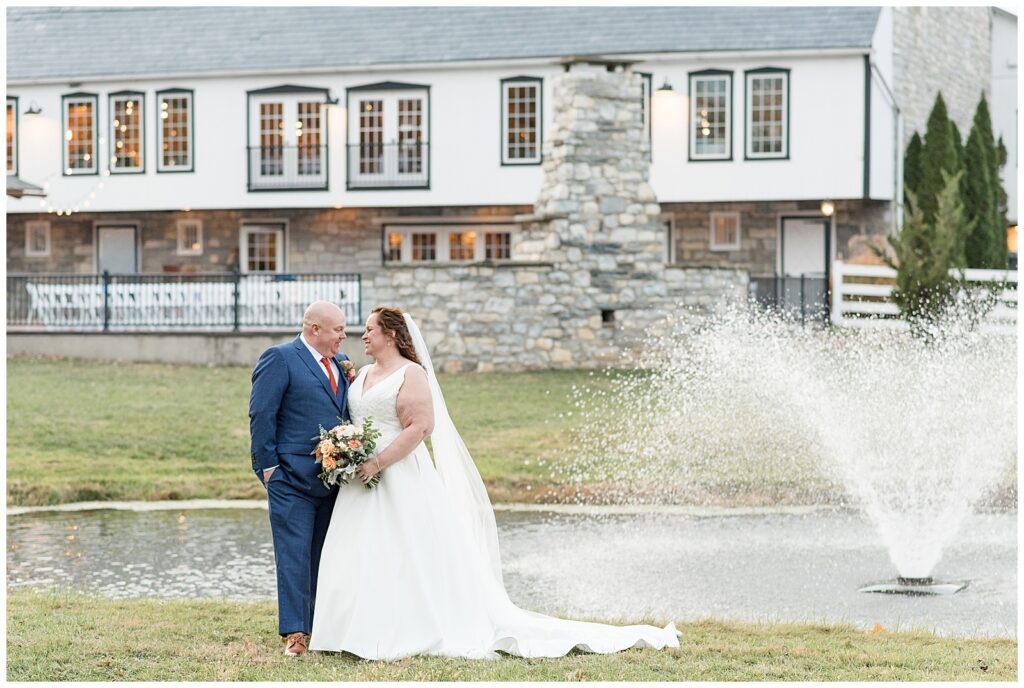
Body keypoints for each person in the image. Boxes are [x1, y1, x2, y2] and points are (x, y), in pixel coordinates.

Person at [309, 307, 679, 659]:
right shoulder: (359, 372)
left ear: (390, 334)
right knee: (359, 552)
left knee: (403, 554)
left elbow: (421, 427)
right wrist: (347, 451)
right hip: (359, 483)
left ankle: (403, 630)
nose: (363, 335)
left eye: (370, 329)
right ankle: (348, 631)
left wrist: (378, 462)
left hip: (398, 475)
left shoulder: (411, 374)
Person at [249, 300, 353, 657]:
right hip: (290, 478)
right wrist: (268, 468)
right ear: (314, 330)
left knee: (324, 555)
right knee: (293, 554)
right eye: (338, 329)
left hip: (333, 479)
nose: (344, 335)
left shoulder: (342, 364)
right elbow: (262, 413)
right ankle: (295, 635)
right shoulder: (280, 358)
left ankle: (322, 627)